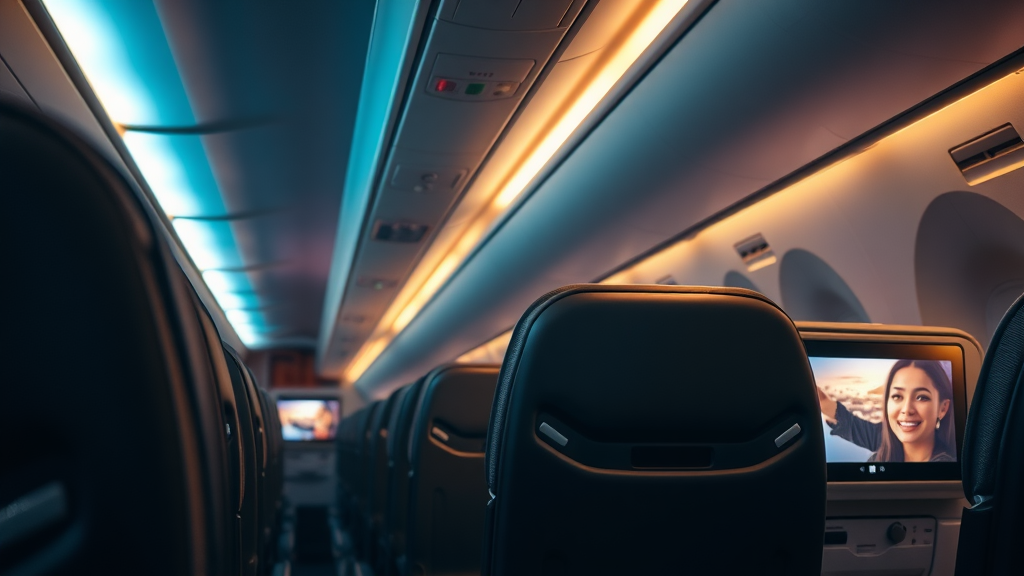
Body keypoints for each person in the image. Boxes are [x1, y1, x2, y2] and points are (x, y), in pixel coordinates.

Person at [817, 359, 955, 462]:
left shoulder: (947, 465)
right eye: (897, 396)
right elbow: (854, 426)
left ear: (943, 408)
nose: (907, 410)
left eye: (921, 397)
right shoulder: (881, 455)